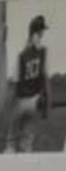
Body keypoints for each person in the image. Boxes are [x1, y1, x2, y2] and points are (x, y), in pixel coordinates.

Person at [17, 14, 52, 151]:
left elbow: (17, 80)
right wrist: (46, 106)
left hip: (20, 101)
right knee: (27, 142)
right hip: (34, 101)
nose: (43, 33)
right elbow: (45, 78)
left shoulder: (23, 53)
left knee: (14, 142)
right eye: (42, 30)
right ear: (40, 31)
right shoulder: (42, 52)